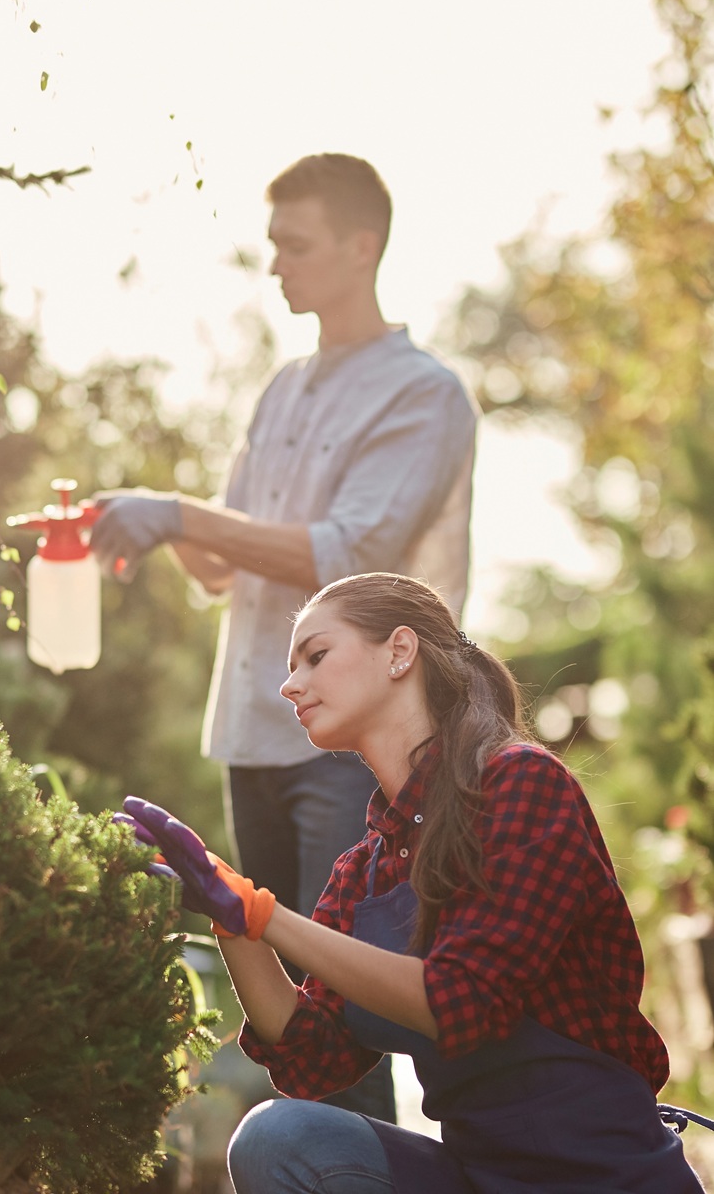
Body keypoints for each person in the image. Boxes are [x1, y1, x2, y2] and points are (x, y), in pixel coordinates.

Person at [92, 153, 478, 1121]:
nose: (276, 268)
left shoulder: (423, 396)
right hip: (255, 737)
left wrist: (175, 513)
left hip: (354, 751)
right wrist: (134, 526)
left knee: (346, 1011)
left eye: (294, 246)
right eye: (272, 247)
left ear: (362, 245)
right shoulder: (280, 393)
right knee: (289, 1019)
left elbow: (350, 555)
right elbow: (225, 566)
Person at [118, 572, 708, 1194]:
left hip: (603, 1178)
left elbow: (461, 1000)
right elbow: (313, 1055)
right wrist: (233, 920)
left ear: (400, 652)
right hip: (477, 1174)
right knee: (278, 1139)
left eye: (316, 656)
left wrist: (264, 915)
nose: (291, 685)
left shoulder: (520, 784)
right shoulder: (366, 867)